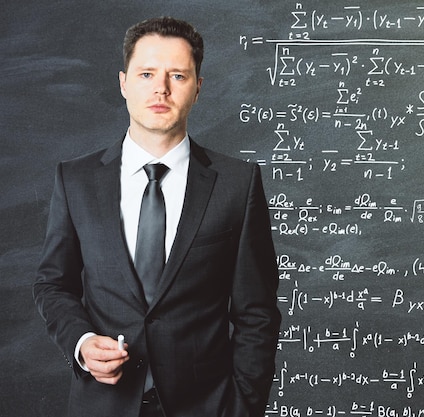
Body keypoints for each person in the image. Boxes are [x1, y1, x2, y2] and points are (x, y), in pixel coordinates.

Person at [33, 16, 281, 417]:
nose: (160, 88)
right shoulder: (75, 180)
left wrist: (243, 407)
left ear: (198, 89)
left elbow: (257, 313)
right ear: (123, 83)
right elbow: (53, 284)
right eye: (146, 73)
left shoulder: (238, 183)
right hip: (102, 405)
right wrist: (80, 342)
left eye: (178, 76)